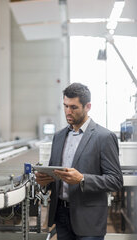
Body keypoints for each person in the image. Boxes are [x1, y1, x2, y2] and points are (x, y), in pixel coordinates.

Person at [35, 83, 123, 240]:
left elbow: (115, 180)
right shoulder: (59, 137)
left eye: (73, 107)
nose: (68, 112)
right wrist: (44, 182)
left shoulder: (104, 137)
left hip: (89, 219)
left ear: (87, 106)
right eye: (65, 106)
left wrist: (82, 179)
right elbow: (55, 175)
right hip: (61, 215)